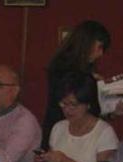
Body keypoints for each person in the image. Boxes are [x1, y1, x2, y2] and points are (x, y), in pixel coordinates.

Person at [41, 20, 111, 149]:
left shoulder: (72, 67)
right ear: (88, 43)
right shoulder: (64, 70)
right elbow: (81, 106)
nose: (101, 54)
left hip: (78, 132)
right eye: (99, 47)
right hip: (64, 133)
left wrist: (110, 110)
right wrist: (92, 84)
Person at [34, 71, 117, 162]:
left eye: (73, 104)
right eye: (63, 103)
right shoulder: (59, 127)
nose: (67, 110)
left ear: (88, 104)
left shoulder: (104, 133)